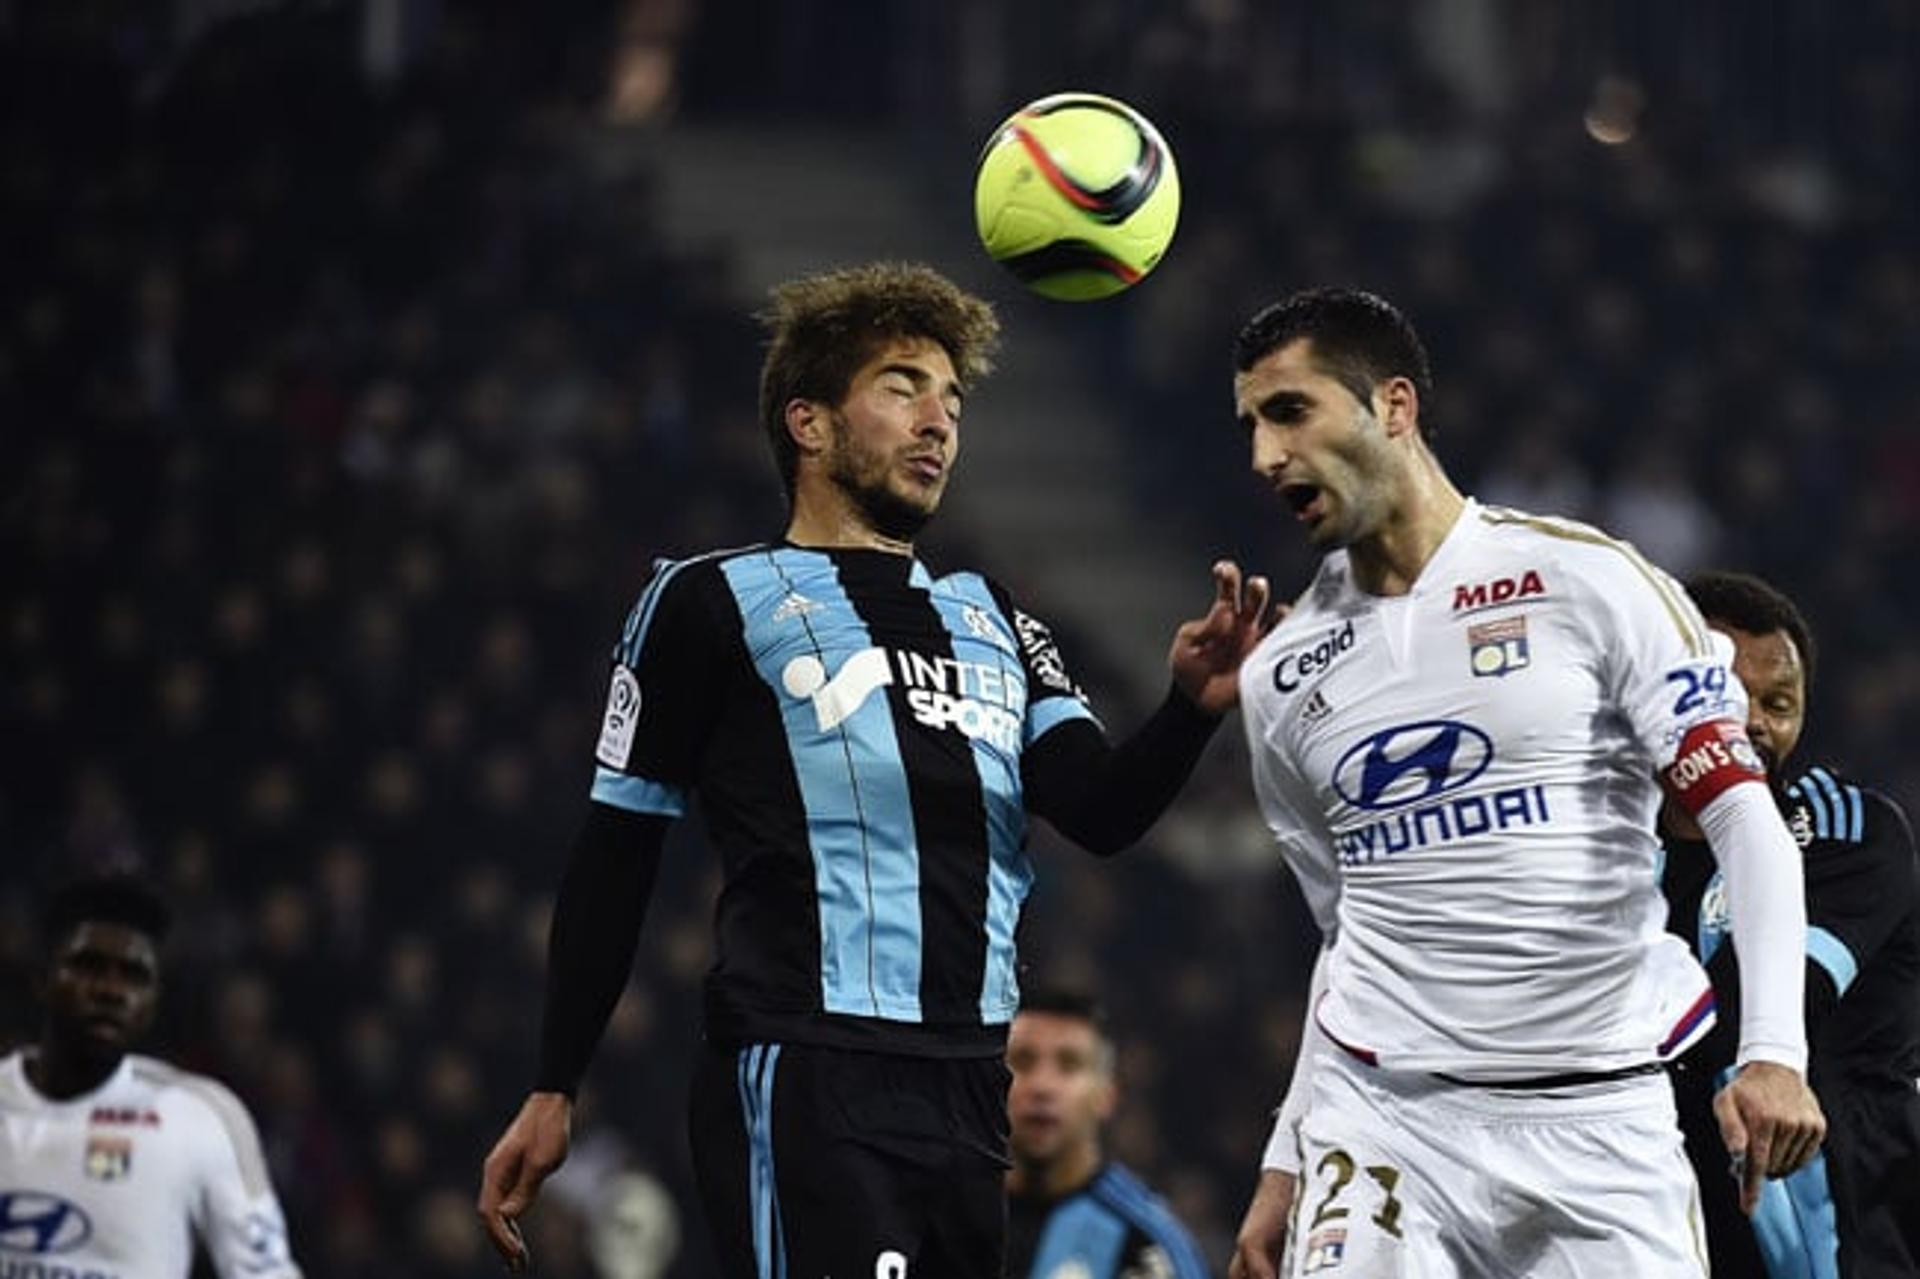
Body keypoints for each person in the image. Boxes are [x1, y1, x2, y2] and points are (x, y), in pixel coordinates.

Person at [476, 261, 1272, 1277]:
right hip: (808, 1068)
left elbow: (1102, 810)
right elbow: (617, 848)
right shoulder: (709, 601)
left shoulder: (998, 617)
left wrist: (1188, 711)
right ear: (809, 424)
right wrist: (556, 1084)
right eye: (902, 387)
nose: (937, 420)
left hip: (971, 1085)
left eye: (951, 399)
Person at [1222, 287, 1825, 1279]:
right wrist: (1285, 1159)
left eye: (1290, 411)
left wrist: (1773, 1051)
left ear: (1396, 407)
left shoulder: (1592, 582)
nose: (1265, 456)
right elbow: (1350, 937)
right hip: (1385, 1127)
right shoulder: (1283, 679)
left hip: (1600, 1117)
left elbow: (1742, 817)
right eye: (1250, 425)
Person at [1661, 570, 1920, 1279]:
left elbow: (1763, 1000)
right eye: (1730, 694)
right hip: (1675, 1228)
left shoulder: (1842, 830)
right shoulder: (1611, 845)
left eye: (1779, 703)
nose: (1754, 723)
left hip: (1846, 1234)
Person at [0, 873, 303, 1279]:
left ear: (153, 1002)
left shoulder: (202, 1118)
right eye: (88, 966)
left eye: (134, 976)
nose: (111, 990)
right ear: (42, 980)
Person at [1004, 988, 1209, 1279]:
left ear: (1106, 1095)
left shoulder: (1147, 1247)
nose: (1042, 1086)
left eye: (1069, 1065)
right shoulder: (939, 1219)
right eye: (1022, 1061)